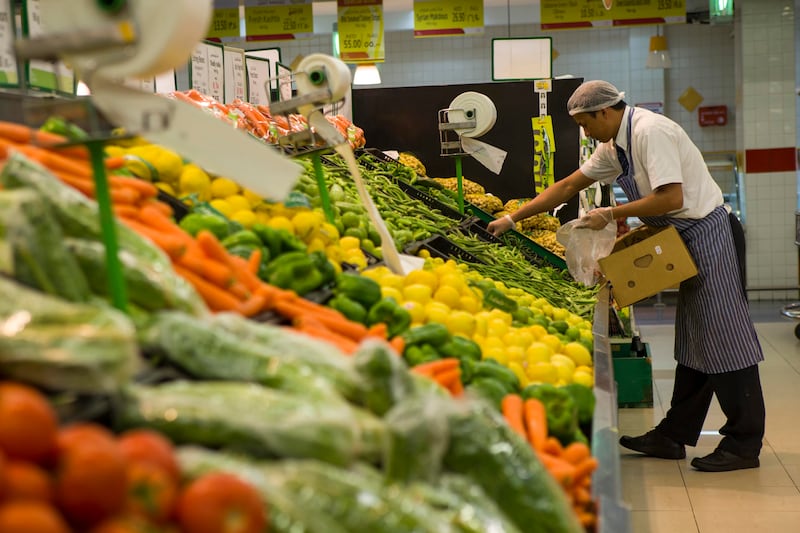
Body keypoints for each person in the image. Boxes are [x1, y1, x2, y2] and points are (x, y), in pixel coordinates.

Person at [488, 80, 765, 472]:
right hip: (682, 236)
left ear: (605, 112)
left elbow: (673, 198)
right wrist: (512, 219)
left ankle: (743, 443)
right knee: (695, 339)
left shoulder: (651, 132)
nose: (585, 133)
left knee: (725, 336)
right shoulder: (615, 145)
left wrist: (612, 215)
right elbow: (569, 185)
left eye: (586, 124)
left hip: (709, 232)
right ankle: (673, 435)